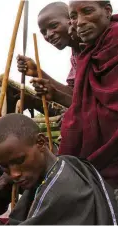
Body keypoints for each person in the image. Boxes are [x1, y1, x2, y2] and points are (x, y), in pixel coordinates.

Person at [0, 113, 118, 224]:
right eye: (5, 167)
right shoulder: (65, 163)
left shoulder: (61, 190)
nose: (14, 174)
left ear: (41, 142)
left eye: (20, 161)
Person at [57, 1, 118, 191]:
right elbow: (83, 106)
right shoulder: (87, 55)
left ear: (107, 11)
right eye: (73, 17)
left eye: (87, 11)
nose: (79, 22)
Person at [17, 2, 81, 108]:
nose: (49, 34)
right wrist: (37, 72)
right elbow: (75, 95)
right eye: (43, 32)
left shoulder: (97, 44)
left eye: (54, 26)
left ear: (72, 19)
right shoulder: (76, 54)